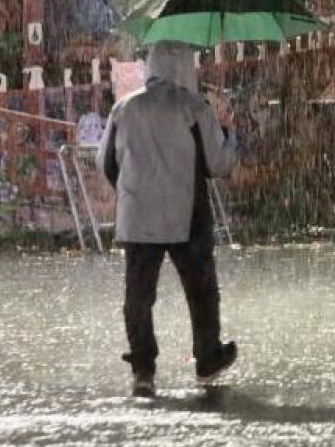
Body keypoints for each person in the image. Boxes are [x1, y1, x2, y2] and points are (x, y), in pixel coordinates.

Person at [97, 40, 239, 397]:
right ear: (185, 68)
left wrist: (132, 191)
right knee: (201, 289)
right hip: (186, 214)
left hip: (138, 216)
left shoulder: (123, 109)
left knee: (139, 294)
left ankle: (143, 367)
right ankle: (207, 358)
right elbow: (218, 165)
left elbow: (106, 163)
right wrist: (226, 129)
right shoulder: (194, 108)